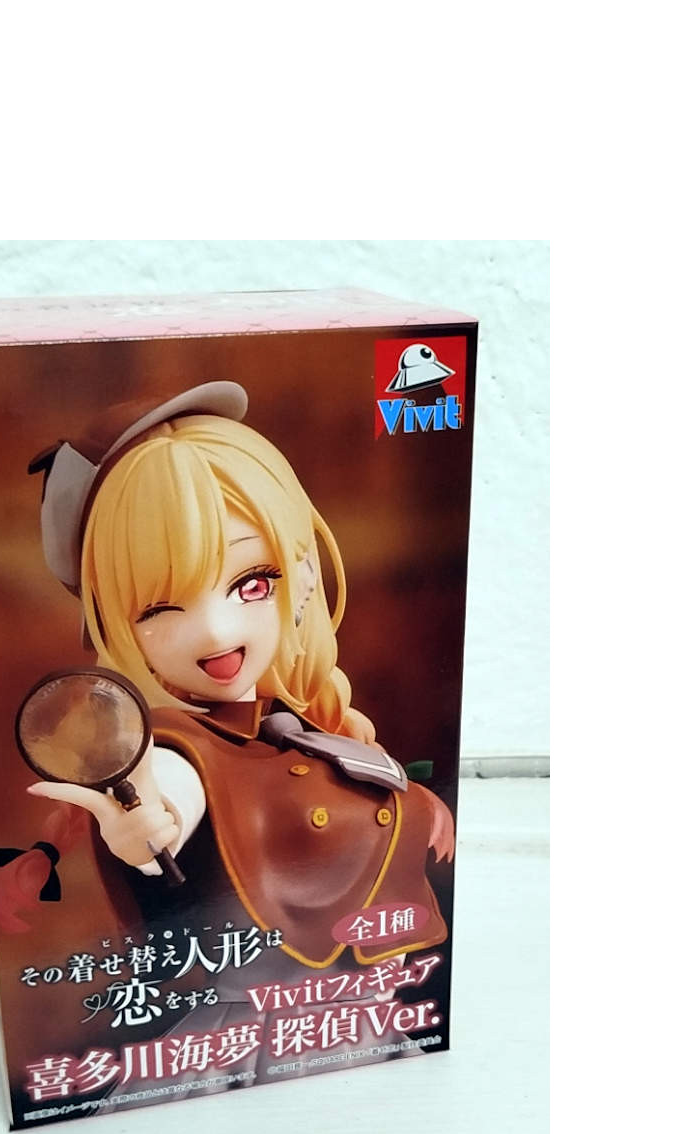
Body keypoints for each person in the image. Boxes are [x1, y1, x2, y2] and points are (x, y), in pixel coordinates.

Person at [24, 384, 455, 1096]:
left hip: (357, 1032)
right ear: (115, 625)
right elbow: (174, 790)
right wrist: (147, 825)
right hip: (246, 1048)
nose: (218, 632)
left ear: (301, 573)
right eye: (159, 608)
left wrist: (419, 809)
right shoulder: (177, 746)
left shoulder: (303, 730)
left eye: (252, 583)